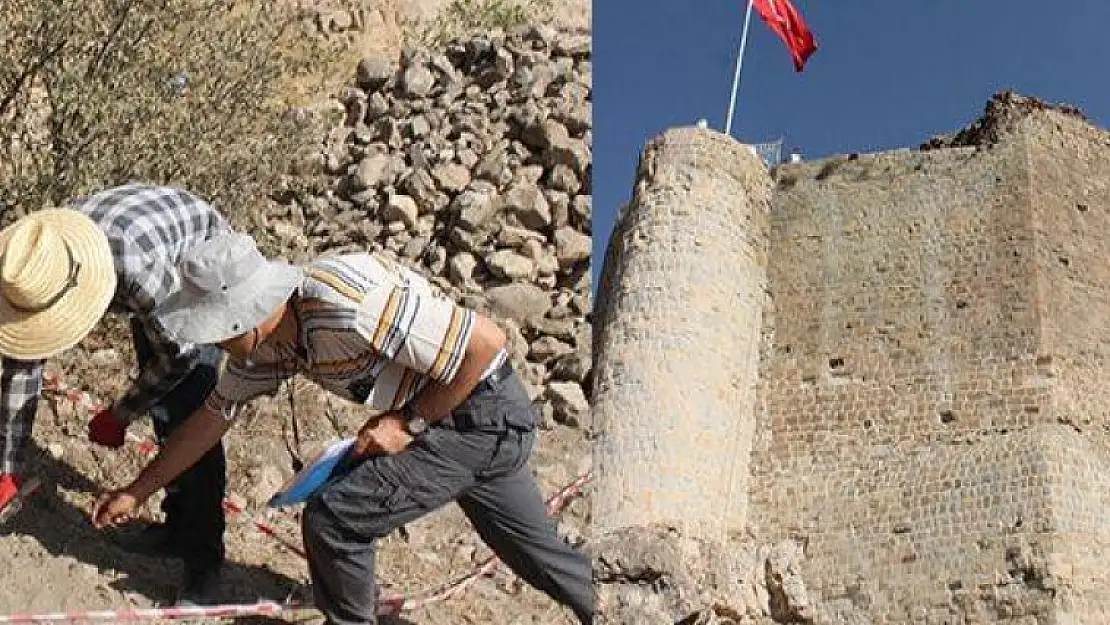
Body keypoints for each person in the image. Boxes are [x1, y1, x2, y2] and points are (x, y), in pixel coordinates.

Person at [90, 231, 597, 625]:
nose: (214, 344)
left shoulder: (349, 304)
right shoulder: (268, 347)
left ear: (242, 318)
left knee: (335, 520)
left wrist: (408, 420)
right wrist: (137, 492)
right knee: (539, 555)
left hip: (479, 417)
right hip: (472, 424)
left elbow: (485, 341)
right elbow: (211, 418)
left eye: (215, 332)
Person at [0, 184, 233, 605]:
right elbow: (23, 362)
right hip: (150, 253)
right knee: (161, 393)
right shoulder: (27, 264)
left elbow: (180, 354)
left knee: (188, 412)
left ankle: (203, 563)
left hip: (202, 265)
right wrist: (7, 467)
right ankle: (177, 526)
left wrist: (123, 412)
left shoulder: (134, 269)